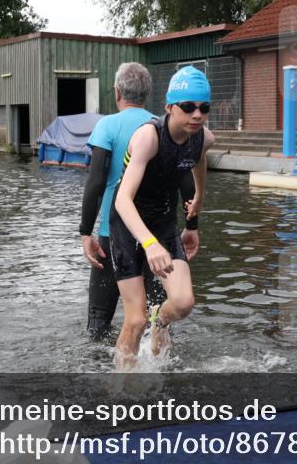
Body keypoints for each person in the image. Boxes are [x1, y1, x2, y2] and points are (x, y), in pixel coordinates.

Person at [78, 62, 195, 339]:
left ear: (117, 92)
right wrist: (191, 224)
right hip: (155, 238)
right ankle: (159, 370)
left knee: (99, 322)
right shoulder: (162, 127)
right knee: (157, 316)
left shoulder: (107, 125)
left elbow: (95, 183)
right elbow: (186, 182)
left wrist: (86, 232)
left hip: (113, 234)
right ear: (148, 94)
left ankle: (107, 373)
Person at [109, 66, 215, 366]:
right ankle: (122, 387)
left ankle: (161, 320)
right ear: (169, 107)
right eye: (188, 107)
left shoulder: (204, 138)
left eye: (203, 108)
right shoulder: (149, 137)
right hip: (129, 226)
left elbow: (198, 162)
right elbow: (122, 200)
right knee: (135, 319)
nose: (197, 115)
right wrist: (150, 244)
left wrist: (196, 210)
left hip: (165, 222)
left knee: (182, 304)